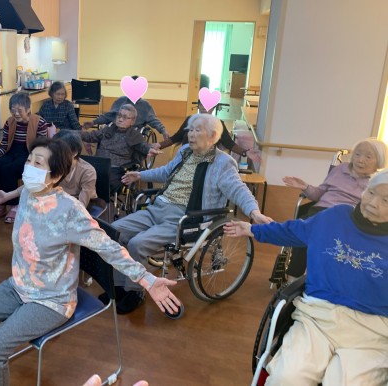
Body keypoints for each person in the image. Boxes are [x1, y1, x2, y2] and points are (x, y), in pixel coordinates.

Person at [0, 138, 181, 386]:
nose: (29, 167)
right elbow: (22, 194)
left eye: (38, 163)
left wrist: (147, 279)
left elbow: (109, 248)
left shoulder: (69, 211)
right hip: (19, 285)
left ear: (56, 175)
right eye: (29, 160)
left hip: (51, 300)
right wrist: (8, 195)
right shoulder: (28, 192)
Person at [224, 169, 388, 386]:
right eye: (371, 193)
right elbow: (293, 231)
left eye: (386, 200)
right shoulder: (336, 216)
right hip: (317, 317)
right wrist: (253, 229)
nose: (373, 203)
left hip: (370, 331)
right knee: (286, 378)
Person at [111, 113, 272, 314]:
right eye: (190, 130)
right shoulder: (185, 151)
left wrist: (254, 212)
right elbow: (166, 172)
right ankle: (119, 286)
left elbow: (238, 189)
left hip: (184, 219)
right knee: (114, 231)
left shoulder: (223, 163)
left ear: (213, 136)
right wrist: (140, 175)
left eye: (197, 130)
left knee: (137, 244)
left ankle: (135, 292)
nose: (191, 134)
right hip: (157, 207)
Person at [281, 137, 387, 280]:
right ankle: (292, 280)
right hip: (320, 211)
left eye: (368, 157)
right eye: (357, 154)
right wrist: (305, 187)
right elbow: (319, 194)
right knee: (304, 231)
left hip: (347, 218)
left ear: (379, 161)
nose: (361, 160)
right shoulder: (340, 169)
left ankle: (323, 280)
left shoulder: (376, 182)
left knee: (320, 236)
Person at [0, 92, 49, 224]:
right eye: (13, 110)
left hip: (30, 154)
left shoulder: (39, 122)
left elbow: (41, 148)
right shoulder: (9, 122)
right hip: (11, 151)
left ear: (28, 109)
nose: (16, 113)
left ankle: (14, 205)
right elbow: (4, 146)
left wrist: (33, 160)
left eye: (19, 110)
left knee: (8, 170)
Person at [0, 129, 98, 210]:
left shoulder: (87, 172)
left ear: (74, 153)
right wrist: (8, 195)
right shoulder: (52, 165)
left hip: (77, 205)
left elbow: (81, 205)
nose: (54, 154)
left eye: (60, 151)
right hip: (56, 200)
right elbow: (33, 184)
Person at [80, 104, 155, 192]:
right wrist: (72, 134)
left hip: (115, 169)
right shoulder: (108, 130)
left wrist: (149, 149)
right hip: (97, 164)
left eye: (125, 117)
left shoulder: (134, 135)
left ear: (132, 121)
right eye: (119, 115)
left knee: (100, 180)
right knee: (77, 172)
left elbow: (142, 145)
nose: (120, 119)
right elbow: (90, 136)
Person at [154, 101, 251, 158]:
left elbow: (229, 143)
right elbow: (176, 137)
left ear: (213, 108)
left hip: (206, 158)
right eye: (202, 104)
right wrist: (159, 145)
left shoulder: (218, 124)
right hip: (186, 156)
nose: (204, 107)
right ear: (199, 106)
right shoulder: (190, 119)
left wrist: (245, 152)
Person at [82, 94, 169, 138]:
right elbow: (109, 115)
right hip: (115, 127)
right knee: (103, 136)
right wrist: (94, 122)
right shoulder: (120, 101)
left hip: (133, 130)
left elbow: (153, 120)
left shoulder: (145, 105)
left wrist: (163, 130)